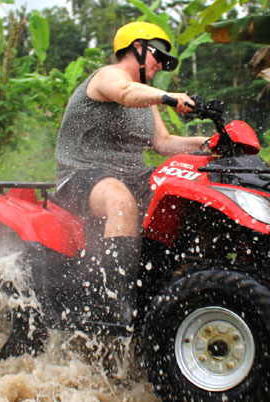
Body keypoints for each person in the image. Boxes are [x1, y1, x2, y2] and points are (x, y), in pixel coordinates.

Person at [53, 21, 210, 329]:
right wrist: (167, 96)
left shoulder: (147, 99)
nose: (161, 65)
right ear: (137, 48)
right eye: (159, 56)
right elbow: (124, 93)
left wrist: (209, 145)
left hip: (133, 176)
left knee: (187, 196)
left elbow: (164, 144)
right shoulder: (109, 76)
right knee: (121, 201)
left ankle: (173, 288)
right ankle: (112, 304)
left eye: (166, 61)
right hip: (82, 175)